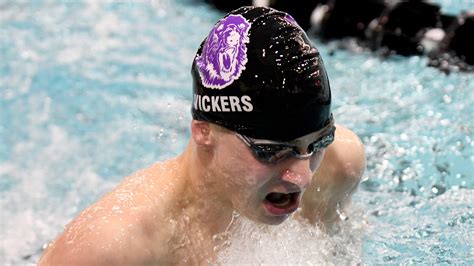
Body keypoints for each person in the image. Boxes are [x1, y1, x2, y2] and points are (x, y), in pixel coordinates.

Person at [39, 6, 365, 265]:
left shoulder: (339, 167)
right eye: (272, 152)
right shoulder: (112, 250)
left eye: (318, 143)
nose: (303, 177)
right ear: (203, 131)